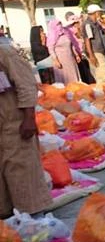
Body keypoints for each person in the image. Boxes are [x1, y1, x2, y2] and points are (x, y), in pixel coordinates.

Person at [0, 35, 54, 217]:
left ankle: (34, 217)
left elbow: (26, 85)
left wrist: (29, 118)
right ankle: (8, 217)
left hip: (14, 122)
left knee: (22, 171)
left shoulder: (5, 53)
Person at [80, 4, 105, 86]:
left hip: (99, 51)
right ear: (95, 13)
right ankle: (103, 92)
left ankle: (100, 93)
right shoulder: (88, 24)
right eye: (99, 12)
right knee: (104, 73)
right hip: (95, 52)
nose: (99, 13)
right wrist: (91, 55)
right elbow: (87, 40)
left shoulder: (96, 24)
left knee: (100, 74)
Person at [47, 15, 82, 84]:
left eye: (60, 24)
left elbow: (71, 45)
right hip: (61, 60)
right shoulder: (51, 36)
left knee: (73, 77)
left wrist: (76, 55)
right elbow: (51, 49)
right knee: (65, 79)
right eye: (57, 25)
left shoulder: (66, 33)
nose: (59, 26)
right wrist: (56, 60)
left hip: (70, 58)